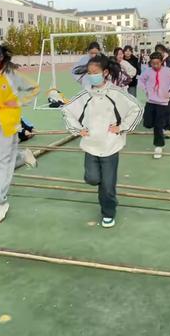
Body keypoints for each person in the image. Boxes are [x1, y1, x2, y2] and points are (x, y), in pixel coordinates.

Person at [62, 54, 143, 228]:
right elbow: (67, 110)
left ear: (105, 72)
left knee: (108, 186)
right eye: (89, 72)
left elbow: (136, 109)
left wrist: (122, 127)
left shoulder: (116, 93)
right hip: (91, 146)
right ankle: (104, 189)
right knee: (92, 178)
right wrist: (78, 129)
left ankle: (108, 211)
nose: (92, 75)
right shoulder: (85, 94)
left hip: (110, 146)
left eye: (95, 72)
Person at [0, 44, 40, 224]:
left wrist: (18, 102)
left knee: (2, 164)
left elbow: (34, 88)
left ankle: (0, 202)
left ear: (0, 58)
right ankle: (22, 156)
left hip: (8, 125)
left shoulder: (12, 75)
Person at [139, 52, 170, 159]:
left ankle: (158, 146)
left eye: (157, 63)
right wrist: (146, 90)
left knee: (158, 126)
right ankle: (164, 125)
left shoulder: (167, 71)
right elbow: (141, 80)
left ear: (162, 62)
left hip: (163, 103)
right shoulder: (148, 71)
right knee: (147, 123)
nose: (155, 66)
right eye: (153, 63)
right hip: (151, 101)